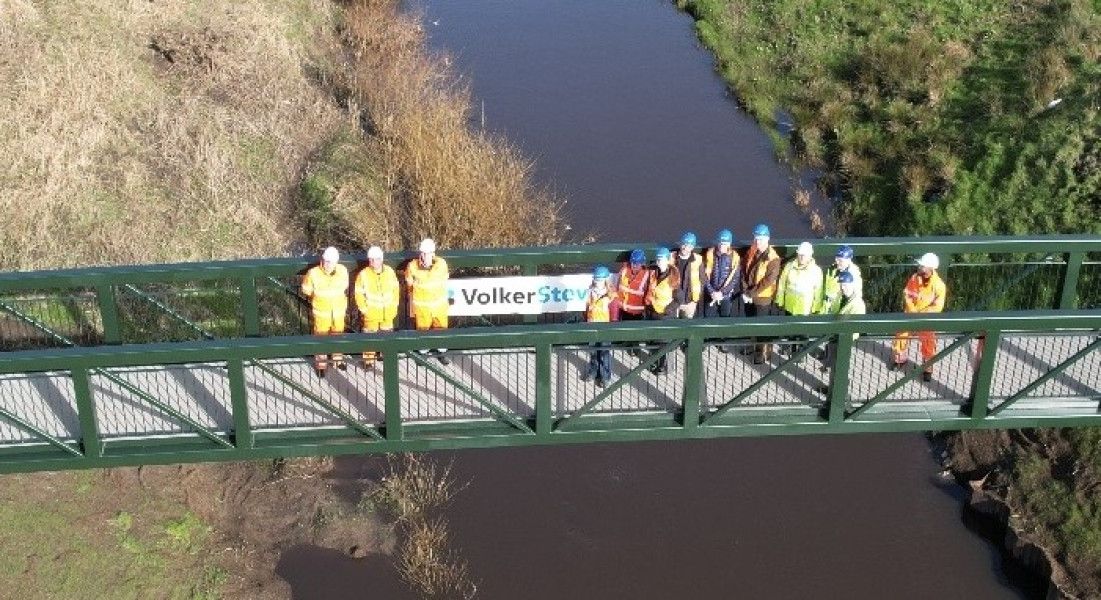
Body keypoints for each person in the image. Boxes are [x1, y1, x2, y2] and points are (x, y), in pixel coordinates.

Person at [892, 252, 947, 382]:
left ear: (930, 268)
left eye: (922, 266)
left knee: (928, 341)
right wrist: (912, 310)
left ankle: (927, 368)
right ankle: (900, 360)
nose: (920, 267)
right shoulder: (914, 278)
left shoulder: (939, 286)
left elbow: (937, 307)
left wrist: (922, 315)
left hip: (927, 319)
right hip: (911, 314)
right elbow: (907, 295)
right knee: (901, 335)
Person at [815, 270, 866, 395]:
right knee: (835, 365)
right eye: (842, 285)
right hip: (836, 335)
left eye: (846, 285)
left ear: (852, 285)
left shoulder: (858, 304)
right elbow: (834, 311)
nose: (844, 288)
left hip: (845, 339)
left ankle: (838, 393)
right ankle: (833, 389)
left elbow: (856, 326)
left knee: (840, 367)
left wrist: (845, 337)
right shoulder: (840, 296)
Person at [301, 246, 349, 378]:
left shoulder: (342, 271)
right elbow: (306, 289)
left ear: (336, 262)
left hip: (338, 312)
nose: (327, 264)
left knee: (338, 336)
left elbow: (344, 286)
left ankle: (337, 361)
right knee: (320, 339)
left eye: (330, 262)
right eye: (325, 261)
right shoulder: (313, 273)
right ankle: (321, 366)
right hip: (322, 313)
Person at [405, 238, 451, 365]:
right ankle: (423, 354)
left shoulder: (441, 264)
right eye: (423, 253)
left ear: (433, 253)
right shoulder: (412, 266)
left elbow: (445, 281)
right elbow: (409, 285)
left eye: (428, 253)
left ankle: (441, 352)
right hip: (422, 307)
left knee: (441, 329)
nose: (425, 256)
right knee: (423, 330)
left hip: (439, 305)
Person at [353, 245, 400, 370]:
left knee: (387, 336)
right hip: (371, 313)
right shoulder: (363, 274)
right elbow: (358, 293)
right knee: (370, 338)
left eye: (376, 259)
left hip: (388, 312)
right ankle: (369, 361)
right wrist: (364, 309)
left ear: (381, 259)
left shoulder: (389, 272)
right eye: (371, 260)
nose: (373, 262)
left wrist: (395, 304)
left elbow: (395, 288)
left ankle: (386, 355)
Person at [740, 223, 781, 363]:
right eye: (756, 238)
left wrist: (751, 293)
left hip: (762, 298)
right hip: (749, 295)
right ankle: (753, 345)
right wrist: (745, 289)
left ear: (768, 239)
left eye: (761, 239)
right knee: (750, 323)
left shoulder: (773, 258)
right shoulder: (751, 251)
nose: (758, 242)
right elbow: (744, 270)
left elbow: (768, 281)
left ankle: (763, 352)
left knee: (761, 327)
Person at [774, 241, 823, 356]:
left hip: (805, 308)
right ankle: (789, 348)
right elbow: (782, 284)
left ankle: (800, 354)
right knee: (789, 329)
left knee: (802, 333)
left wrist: (816, 308)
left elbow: (818, 291)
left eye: (804, 255)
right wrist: (780, 301)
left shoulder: (815, 271)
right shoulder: (790, 266)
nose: (801, 257)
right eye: (800, 254)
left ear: (810, 256)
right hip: (790, 305)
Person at [582, 265, 621, 388]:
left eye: (599, 280)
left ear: (605, 280)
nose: (597, 282)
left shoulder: (611, 296)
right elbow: (586, 309)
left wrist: (612, 329)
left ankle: (605, 376)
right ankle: (594, 371)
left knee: (604, 353)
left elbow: (614, 314)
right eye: (596, 279)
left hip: (605, 328)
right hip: (592, 326)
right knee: (593, 351)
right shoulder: (589, 292)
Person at [644, 247, 681, 375]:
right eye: (658, 259)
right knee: (654, 341)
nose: (659, 262)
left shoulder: (673, 276)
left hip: (666, 316)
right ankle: (655, 363)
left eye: (662, 259)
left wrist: (667, 310)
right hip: (653, 313)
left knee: (666, 343)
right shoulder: (654, 273)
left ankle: (665, 368)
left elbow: (678, 299)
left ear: (667, 260)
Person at [701, 229, 742, 320]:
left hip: (725, 296)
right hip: (710, 295)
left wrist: (722, 293)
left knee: (725, 318)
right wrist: (711, 292)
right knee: (708, 320)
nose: (722, 246)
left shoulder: (735, 257)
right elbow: (704, 275)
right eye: (720, 243)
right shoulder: (709, 254)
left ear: (729, 244)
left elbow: (734, 279)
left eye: (725, 243)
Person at [617, 249, 650, 356]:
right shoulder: (624, 271)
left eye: (637, 263)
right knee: (626, 329)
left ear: (642, 263)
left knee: (636, 333)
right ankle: (627, 345)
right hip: (624, 308)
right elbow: (619, 287)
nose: (634, 265)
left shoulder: (646, 275)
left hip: (637, 311)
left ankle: (635, 349)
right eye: (633, 263)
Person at [819, 245, 863, 315]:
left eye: (840, 260)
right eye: (836, 259)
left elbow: (855, 298)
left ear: (848, 260)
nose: (837, 262)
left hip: (838, 313)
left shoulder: (853, 275)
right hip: (826, 308)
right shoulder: (832, 268)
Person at [672, 232, 704, 319]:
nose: (685, 248)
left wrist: (694, 301)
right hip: (673, 301)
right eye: (684, 244)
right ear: (680, 244)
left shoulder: (698, 260)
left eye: (689, 246)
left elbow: (702, 281)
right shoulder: (672, 258)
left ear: (692, 247)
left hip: (689, 301)